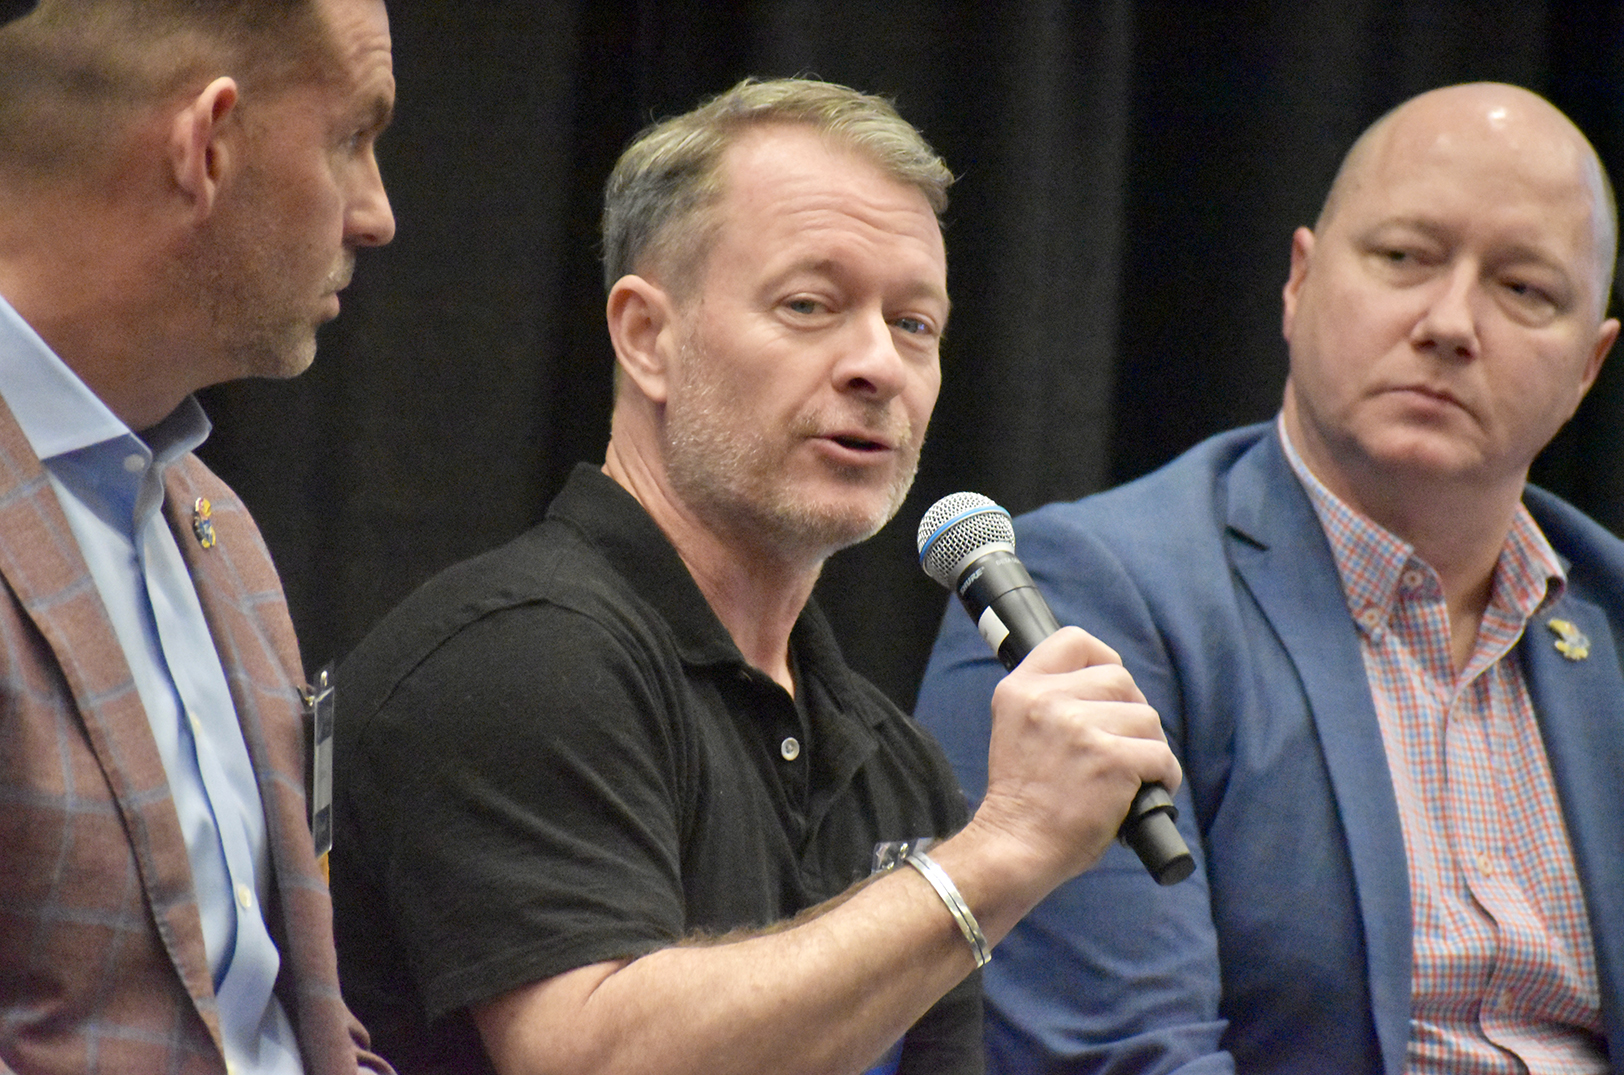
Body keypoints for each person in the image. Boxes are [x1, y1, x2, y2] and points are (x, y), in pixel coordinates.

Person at [329, 77, 1182, 1075]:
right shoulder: (515, 657)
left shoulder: (890, 759)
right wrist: (999, 854)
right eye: (809, 304)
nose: (878, 365)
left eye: (915, 324)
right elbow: (592, 1060)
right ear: (649, 336)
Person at [915, 81, 1624, 1074]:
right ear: (1298, 282)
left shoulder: (1608, 615)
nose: (1451, 322)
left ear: (1588, 368)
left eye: (1524, 291)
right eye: (1404, 258)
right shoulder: (1090, 599)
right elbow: (1119, 1057)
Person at [0, 1, 397, 1073]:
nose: (377, 214)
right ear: (207, 144)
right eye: (353, 138)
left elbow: (262, 1017)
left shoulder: (212, 525)